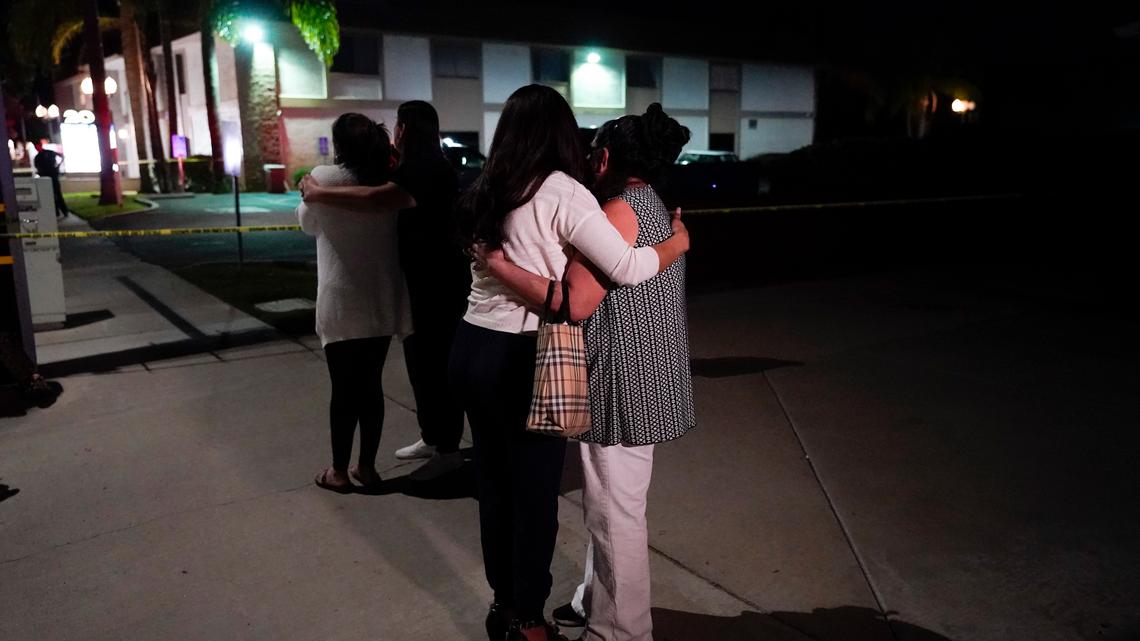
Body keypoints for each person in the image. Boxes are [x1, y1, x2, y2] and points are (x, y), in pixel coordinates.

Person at [450, 85, 690, 641]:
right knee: (534, 497)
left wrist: (494, 263)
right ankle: (529, 621)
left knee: (495, 486)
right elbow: (600, 288)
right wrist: (679, 243)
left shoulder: (491, 186)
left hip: (471, 348)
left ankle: (505, 604)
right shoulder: (571, 195)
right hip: (523, 355)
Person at [301, 101, 470, 482]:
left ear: (406, 128)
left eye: (399, 124)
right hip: (414, 283)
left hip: (435, 286)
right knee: (417, 367)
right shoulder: (414, 167)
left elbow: (377, 200)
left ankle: (447, 450)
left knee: (434, 369)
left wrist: (317, 191)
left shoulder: (426, 169)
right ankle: (430, 438)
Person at [297, 113, 412, 493]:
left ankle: (338, 470)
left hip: (340, 298)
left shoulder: (323, 179)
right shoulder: (385, 181)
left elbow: (307, 223)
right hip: (379, 295)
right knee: (371, 386)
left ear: (340, 145)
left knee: (343, 388)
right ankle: (367, 466)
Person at [33, 147, 70, 219]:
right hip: (51, 175)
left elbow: (37, 166)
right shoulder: (46, 154)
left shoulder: (40, 156)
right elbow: (61, 156)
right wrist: (57, 167)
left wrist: (57, 167)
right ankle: (62, 211)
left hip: (47, 176)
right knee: (56, 194)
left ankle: (59, 211)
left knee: (53, 194)